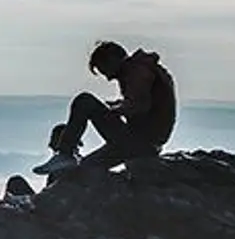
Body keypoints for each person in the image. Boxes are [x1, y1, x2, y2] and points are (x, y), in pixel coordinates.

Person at [32, 40, 177, 178]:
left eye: (103, 69)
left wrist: (115, 110)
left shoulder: (137, 71)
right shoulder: (142, 69)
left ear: (113, 60)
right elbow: (145, 103)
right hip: (145, 145)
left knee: (84, 101)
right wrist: (118, 105)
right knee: (83, 169)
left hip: (139, 142)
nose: (107, 77)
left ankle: (65, 153)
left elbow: (139, 106)